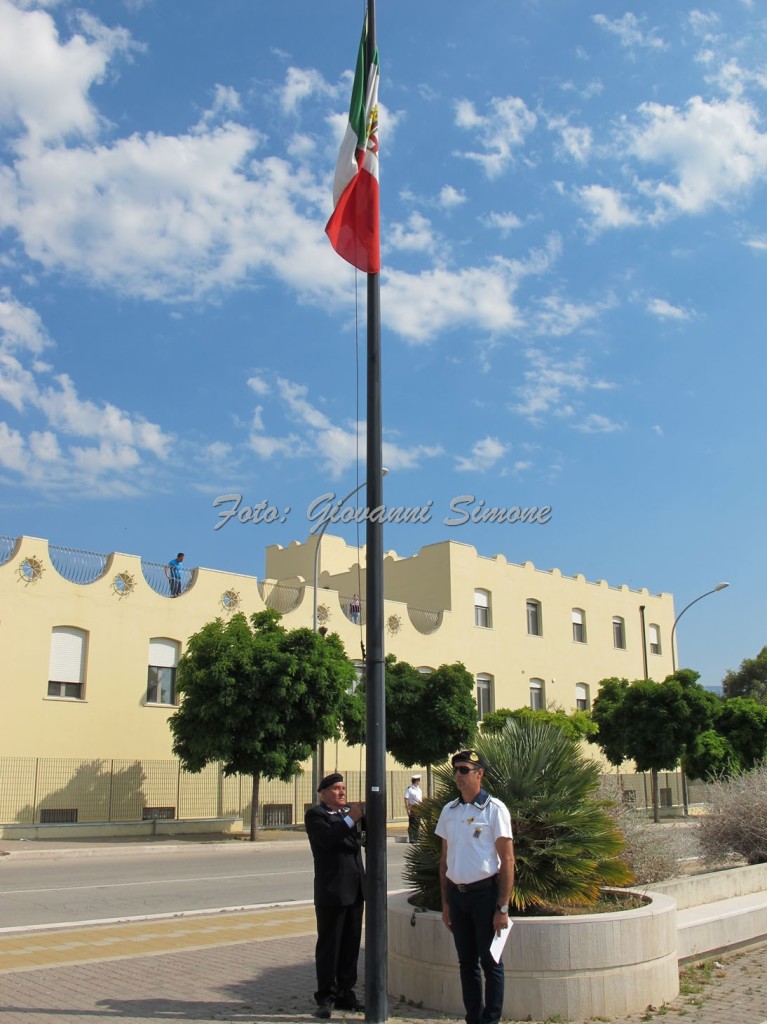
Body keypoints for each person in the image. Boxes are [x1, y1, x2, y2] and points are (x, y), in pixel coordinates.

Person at [436, 749, 514, 1024]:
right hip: (458, 898)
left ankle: (491, 1020)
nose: (458, 775)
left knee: (490, 963)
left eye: (464, 770)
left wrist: (502, 907)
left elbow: (507, 860)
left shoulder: (495, 809)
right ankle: (474, 1018)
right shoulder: (449, 811)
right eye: (455, 769)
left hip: (485, 895)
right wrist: (445, 902)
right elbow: (444, 860)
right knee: (466, 963)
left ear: (479, 774)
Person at [305, 772, 366, 1019]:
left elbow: (360, 840)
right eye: (337, 789)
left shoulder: (348, 815)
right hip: (332, 892)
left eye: (344, 788)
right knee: (330, 946)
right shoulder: (317, 815)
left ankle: (345, 993)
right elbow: (327, 840)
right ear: (323, 793)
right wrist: (351, 820)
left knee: (351, 945)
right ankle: (326, 997)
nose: (343, 792)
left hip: (355, 890)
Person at [404, 773, 423, 844]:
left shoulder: (419, 789)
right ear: (416, 781)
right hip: (413, 807)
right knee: (412, 823)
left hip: (419, 807)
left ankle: (416, 837)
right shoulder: (409, 789)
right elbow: (406, 799)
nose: (419, 782)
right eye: (418, 780)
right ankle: (411, 838)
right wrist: (408, 809)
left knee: (418, 823)